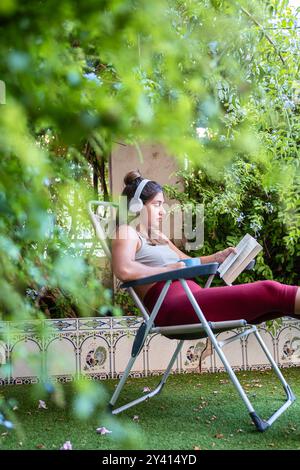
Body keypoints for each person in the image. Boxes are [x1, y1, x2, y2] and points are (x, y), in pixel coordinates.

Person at [111, 170, 300, 327]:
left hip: (193, 297)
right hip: (173, 307)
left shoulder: (158, 237)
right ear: (136, 207)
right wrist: (166, 269)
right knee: (270, 291)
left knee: (278, 305)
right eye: (157, 205)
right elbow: (123, 269)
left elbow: (188, 262)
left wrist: (217, 257)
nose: (163, 211)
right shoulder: (126, 232)